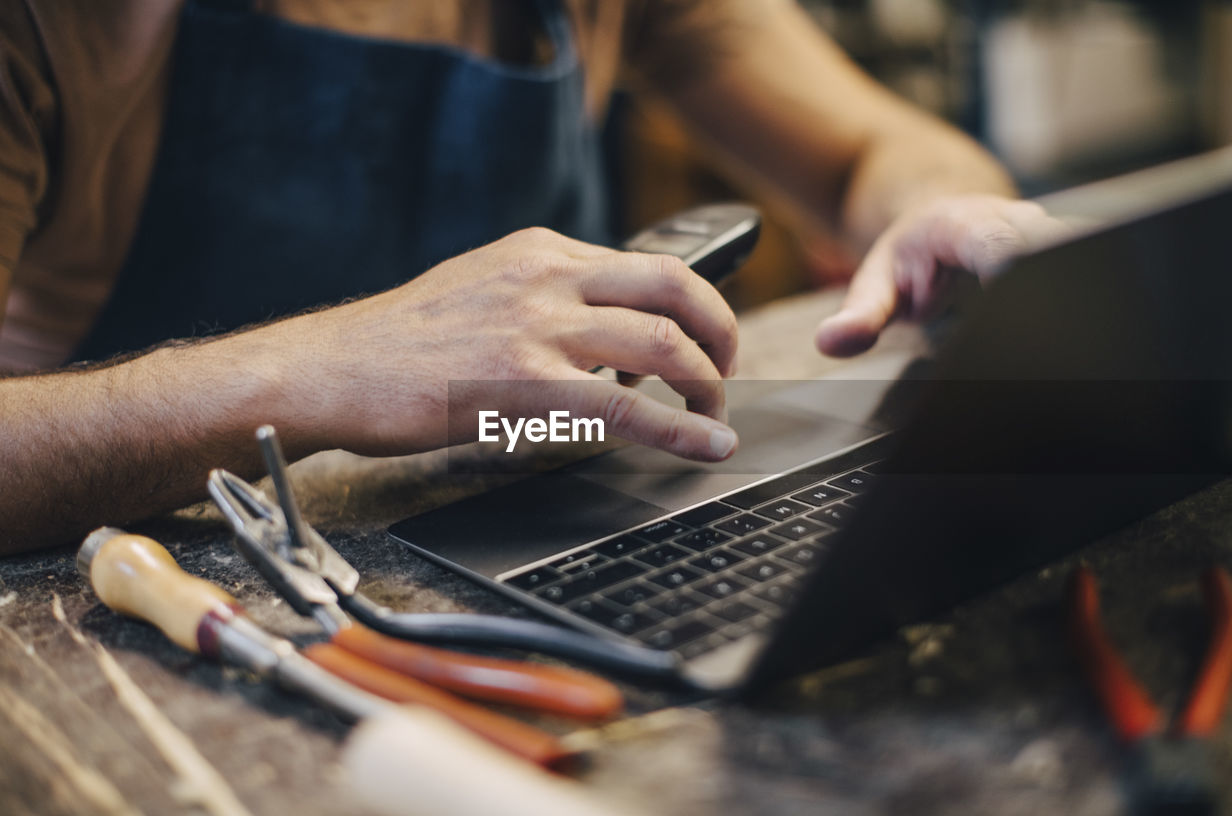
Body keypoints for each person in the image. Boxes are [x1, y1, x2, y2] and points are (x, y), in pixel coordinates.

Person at [0, 0, 1059, 555]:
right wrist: (317, 372)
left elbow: (875, 152)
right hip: (141, 570)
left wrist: (935, 208)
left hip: (535, 494)